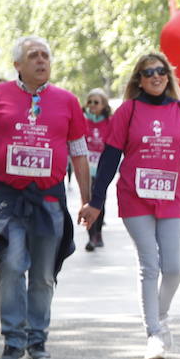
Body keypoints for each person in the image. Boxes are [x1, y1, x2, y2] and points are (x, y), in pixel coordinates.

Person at [0, 36, 91, 359]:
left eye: (45, 56)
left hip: (50, 200)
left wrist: (88, 200)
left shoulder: (67, 101)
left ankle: (37, 338)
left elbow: (80, 154)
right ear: (18, 65)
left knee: (42, 275)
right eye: (33, 56)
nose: (41, 61)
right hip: (9, 201)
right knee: (11, 268)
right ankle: (13, 340)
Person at [78, 52, 180, 359]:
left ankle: (160, 316)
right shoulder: (127, 111)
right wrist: (95, 202)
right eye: (148, 73)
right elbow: (109, 158)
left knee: (173, 268)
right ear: (140, 79)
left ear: (167, 76)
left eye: (161, 71)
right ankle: (154, 335)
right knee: (149, 265)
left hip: (170, 197)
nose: (156, 76)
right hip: (134, 196)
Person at [82, 88, 113, 250]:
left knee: (99, 200)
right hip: (85, 168)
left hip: (101, 168)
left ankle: (98, 231)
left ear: (103, 105)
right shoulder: (82, 119)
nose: (92, 105)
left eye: (96, 102)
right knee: (87, 201)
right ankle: (91, 236)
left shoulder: (110, 121)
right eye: (90, 102)